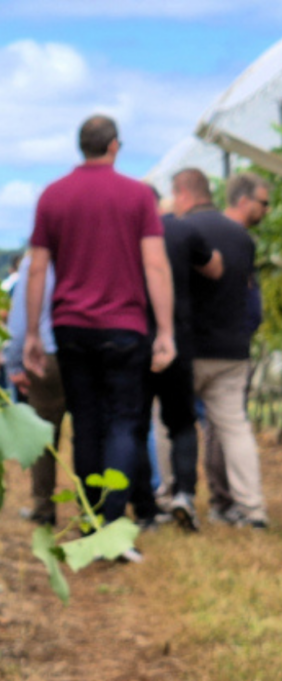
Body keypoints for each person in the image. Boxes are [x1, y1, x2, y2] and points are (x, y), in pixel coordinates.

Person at [25, 116, 175, 547]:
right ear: (114, 146)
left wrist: (33, 333)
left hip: (71, 327)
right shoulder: (137, 195)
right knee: (125, 424)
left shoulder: (53, 196)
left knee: (86, 422)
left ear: (81, 146)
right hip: (125, 326)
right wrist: (164, 329)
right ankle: (113, 524)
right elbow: (155, 264)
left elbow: (37, 268)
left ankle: (90, 520)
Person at [173, 169, 269, 528]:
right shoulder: (242, 239)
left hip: (188, 346)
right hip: (231, 350)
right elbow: (248, 297)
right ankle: (252, 508)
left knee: (175, 424)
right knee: (234, 428)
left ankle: (172, 497)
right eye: (263, 202)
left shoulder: (181, 230)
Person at [131, 187, 223, 530]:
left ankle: (144, 508)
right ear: (160, 204)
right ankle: (184, 493)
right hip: (176, 340)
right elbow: (215, 268)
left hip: (134, 340)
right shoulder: (183, 230)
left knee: (136, 426)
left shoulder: (126, 234)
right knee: (182, 423)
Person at [6, 252, 65, 526]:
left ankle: (44, 507)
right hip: (87, 352)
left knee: (43, 436)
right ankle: (99, 509)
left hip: (45, 356)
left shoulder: (36, 261)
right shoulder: (87, 252)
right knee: (92, 432)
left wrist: (15, 363)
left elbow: (19, 320)